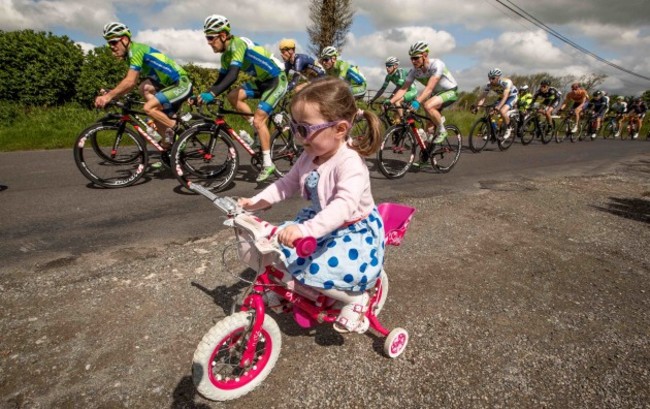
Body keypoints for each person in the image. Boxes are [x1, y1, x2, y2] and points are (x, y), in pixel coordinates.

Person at [238, 77, 384, 334]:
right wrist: (257, 202)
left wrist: (306, 230)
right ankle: (290, 289)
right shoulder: (309, 155)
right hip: (319, 222)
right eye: (295, 127)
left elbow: (343, 206)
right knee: (275, 250)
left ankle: (356, 299)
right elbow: (286, 183)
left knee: (317, 268)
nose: (297, 136)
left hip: (350, 231)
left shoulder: (349, 163)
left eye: (305, 129)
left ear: (339, 129)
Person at [195, 14, 288, 183]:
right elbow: (220, 81)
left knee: (260, 118)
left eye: (210, 37)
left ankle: (268, 164)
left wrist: (213, 94)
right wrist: (202, 94)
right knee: (233, 96)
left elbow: (232, 75)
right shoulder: (225, 56)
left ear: (223, 35)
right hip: (262, 81)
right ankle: (257, 130)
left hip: (276, 79)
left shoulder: (237, 44)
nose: (208, 42)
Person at [94, 22, 193, 157]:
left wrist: (108, 96)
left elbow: (129, 81)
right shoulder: (130, 55)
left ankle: (179, 134)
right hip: (168, 85)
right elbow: (132, 83)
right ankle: (171, 145)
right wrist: (113, 94)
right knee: (144, 88)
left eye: (113, 42)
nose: (111, 47)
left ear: (124, 39)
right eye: (108, 43)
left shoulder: (136, 51)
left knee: (149, 108)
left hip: (181, 83)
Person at [388, 41, 459, 144]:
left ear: (425, 55)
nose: (413, 61)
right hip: (436, 94)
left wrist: (417, 101)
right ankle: (427, 156)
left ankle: (442, 130)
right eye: (411, 58)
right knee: (428, 128)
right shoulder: (414, 71)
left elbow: (429, 88)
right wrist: (390, 101)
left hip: (450, 91)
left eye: (416, 58)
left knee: (427, 105)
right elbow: (403, 89)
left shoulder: (437, 65)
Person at [368, 57, 418, 123]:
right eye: (386, 66)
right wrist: (373, 99)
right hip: (402, 93)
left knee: (396, 102)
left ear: (395, 66)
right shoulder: (388, 76)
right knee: (396, 119)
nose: (387, 68)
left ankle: (403, 121)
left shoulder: (400, 72)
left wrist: (390, 99)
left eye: (389, 66)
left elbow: (399, 87)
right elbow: (382, 89)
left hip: (411, 91)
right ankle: (398, 128)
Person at [474, 68, 518, 140]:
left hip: (511, 96)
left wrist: (499, 106)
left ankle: (508, 128)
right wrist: (477, 107)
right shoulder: (488, 85)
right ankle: (493, 132)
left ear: (498, 77)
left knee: (502, 111)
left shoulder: (506, 82)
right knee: (490, 113)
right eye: (489, 78)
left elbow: (505, 96)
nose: (491, 80)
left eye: (493, 78)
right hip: (501, 97)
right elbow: (483, 97)